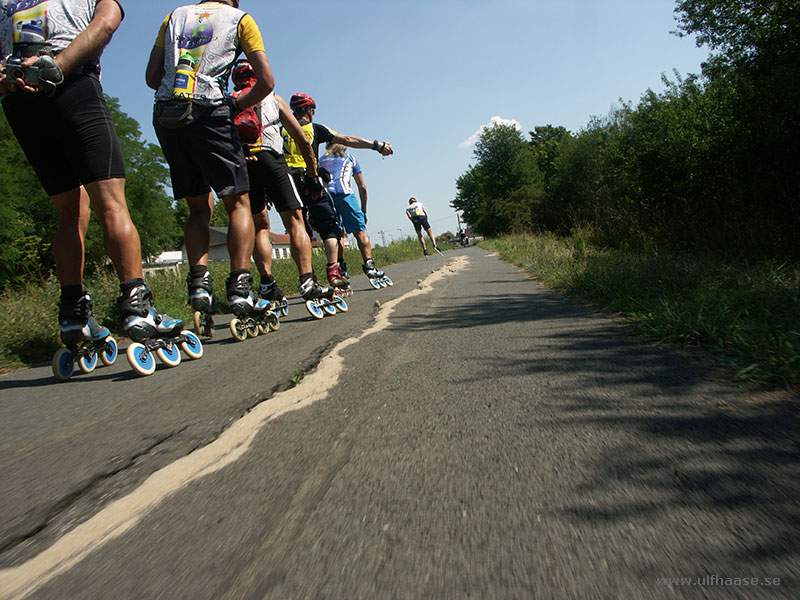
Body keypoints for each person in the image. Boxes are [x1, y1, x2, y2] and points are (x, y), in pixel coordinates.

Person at [0, 0, 181, 347]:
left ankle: (72, 314)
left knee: (69, 214)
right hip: (71, 86)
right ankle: (137, 306)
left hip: (21, 103)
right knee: (111, 203)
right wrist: (58, 65)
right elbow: (106, 25)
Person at [145, 0, 273, 326]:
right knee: (238, 202)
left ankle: (199, 287)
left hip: (168, 113)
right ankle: (240, 288)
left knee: (198, 207)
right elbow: (267, 81)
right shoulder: (240, 19)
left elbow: (152, 77)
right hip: (211, 110)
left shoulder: (173, 16)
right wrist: (235, 105)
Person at [229, 60, 334, 306]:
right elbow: (301, 139)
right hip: (271, 158)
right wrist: (312, 174)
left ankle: (266, 283)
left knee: (260, 225)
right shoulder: (272, 98)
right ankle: (308, 281)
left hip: (244, 162)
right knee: (295, 219)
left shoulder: (231, 100)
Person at [283, 92, 393, 288]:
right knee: (332, 230)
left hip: (286, 183)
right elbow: (348, 139)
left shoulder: (281, 129)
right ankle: (337, 273)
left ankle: (308, 278)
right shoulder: (315, 128)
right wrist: (376, 145)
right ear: (310, 111)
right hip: (311, 182)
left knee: (298, 232)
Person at [318, 143, 387, 282]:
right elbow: (362, 187)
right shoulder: (350, 158)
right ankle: (369, 266)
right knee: (360, 232)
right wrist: (364, 210)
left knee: (338, 235)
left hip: (327, 199)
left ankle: (341, 268)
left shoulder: (320, 160)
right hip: (345, 196)